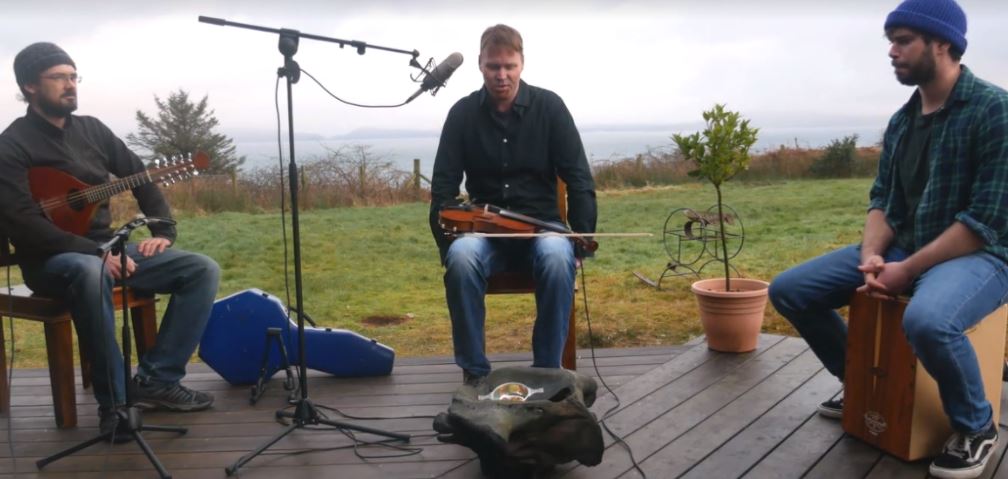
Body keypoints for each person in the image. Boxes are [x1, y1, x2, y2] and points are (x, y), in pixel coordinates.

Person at [768, 1, 1008, 477]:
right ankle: (861, 386)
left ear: (942, 44)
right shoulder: (902, 121)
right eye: (891, 41)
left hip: (982, 254)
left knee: (928, 321)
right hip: (905, 246)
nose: (892, 51)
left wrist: (908, 269)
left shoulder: (995, 110)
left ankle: (977, 425)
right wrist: (873, 256)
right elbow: (883, 201)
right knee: (790, 290)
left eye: (903, 41)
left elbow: (986, 220)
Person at [0, 42, 221, 442]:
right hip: (51, 259)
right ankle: (116, 405)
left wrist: (162, 232)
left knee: (201, 269)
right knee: (90, 272)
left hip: (106, 247)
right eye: (58, 77)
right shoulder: (12, 144)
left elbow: (142, 176)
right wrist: (96, 253)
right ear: (30, 85)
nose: (70, 85)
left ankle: (157, 380)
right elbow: (23, 222)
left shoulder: (93, 130)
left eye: (73, 76)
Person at [428, 24, 597, 384]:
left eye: (509, 66)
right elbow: (442, 188)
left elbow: (579, 178)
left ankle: (548, 375)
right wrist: (447, 244)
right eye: (493, 66)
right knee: (461, 258)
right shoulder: (462, 114)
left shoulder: (550, 108)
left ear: (522, 64)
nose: (501, 75)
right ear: (480, 64)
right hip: (484, 235)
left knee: (557, 257)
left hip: (543, 230)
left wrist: (581, 241)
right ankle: (476, 377)